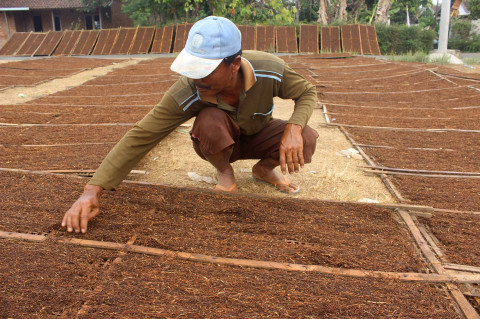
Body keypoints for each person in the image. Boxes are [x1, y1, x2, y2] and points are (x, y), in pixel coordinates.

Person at [62, 16, 319, 234]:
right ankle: (224, 171)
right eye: (192, 67)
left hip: (258, 134)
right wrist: (92, 190)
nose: (195, 76)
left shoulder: (269, 69)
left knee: (307, 136)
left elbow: (307, 92)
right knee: (209, 119)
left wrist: (294, 128)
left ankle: (264, 170)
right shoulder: (189, 89)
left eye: (204, 69)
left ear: (235, 64)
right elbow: (142, 135)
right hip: (219, 143)